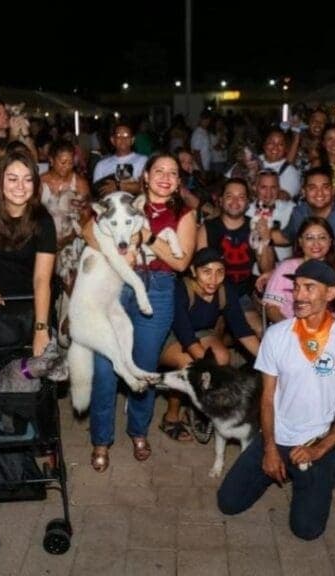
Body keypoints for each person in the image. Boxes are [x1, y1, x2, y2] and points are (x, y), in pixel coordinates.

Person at [217, 259, 335, 540]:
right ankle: (283, 468)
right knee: (228, 503)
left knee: (306, 530)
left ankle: (326, 471)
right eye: (297, 287)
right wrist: (270, 448)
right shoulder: (277, 335)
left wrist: (321, 449)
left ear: (331, 294)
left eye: (309, 288)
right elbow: (266, 398)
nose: (299, 295)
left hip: (317, 442)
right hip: (277, 436)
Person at [86, 152, 197, 472]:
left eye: (173, 173)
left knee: (143, 370)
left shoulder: (185, 213)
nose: (165, 177)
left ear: (178, 181)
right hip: (115, 287)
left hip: (159, 290)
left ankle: (138, 431)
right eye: (158, 170)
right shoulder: (123, 201)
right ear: (145, 176)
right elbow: (87, 232)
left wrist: (147, 237)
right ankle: (101, 439)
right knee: (105, 370)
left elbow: (181, 262)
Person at [158, 247, 260, 442]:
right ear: (194, 271)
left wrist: (268, 361)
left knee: (222, 357)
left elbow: (242, 330)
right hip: (171, 335)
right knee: (189, 366)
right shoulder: (180, 289)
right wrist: (212, 373)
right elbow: (185, 335)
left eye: (219, 272)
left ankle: (199, 409)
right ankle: (170, 417)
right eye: (206, 272)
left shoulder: (225, 290)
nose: (213, 279)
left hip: (201, 333)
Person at [0, 150, 57, 355]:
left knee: (26, 377)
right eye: (12, 179)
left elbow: (42, 279)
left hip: (29, 308)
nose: (20, 187)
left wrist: (41, 329)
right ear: (0, 181)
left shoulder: (43, 220)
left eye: (27, 180)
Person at [200, 178, 271, 333]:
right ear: (220, 200)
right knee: (214, 339)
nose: (235, 201)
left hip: (242, 294)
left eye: (241, 197)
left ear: (247, 202)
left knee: (261, 332)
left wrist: (265, 239)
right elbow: (200, 271)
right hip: (215, 293)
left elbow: (266, 268)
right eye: (229, 196)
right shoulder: (208, 228)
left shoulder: (254, 226)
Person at [263, 217, 335, 324]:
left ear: (331, 241)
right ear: (300, 242)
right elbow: (272, 307)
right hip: (290, 328)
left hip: (329, 330)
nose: (316, 243)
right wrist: (290, 330)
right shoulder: (286, 268)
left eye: (322, 237)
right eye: (309, 238)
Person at [277, 167, 335, 255]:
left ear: (333, 190)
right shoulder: (300, 213)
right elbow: (287, 237)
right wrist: (265, 234)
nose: (319, 193)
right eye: (313, 188)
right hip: (308, 270)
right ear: (304, 192)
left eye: (325, 187)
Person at [92, 123, 148, 196]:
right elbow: (96, 192)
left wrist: (118, 186)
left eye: (126, 136)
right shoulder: (101, 165)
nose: (123, 139)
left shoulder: (143, 160)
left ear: (132, 140)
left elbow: (146, 187)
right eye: (118, 136)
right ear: (112, 140)